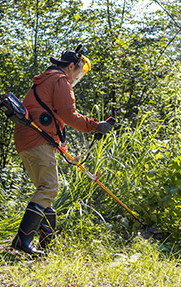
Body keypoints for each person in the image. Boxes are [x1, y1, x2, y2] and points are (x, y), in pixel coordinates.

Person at [11, 45, 113, 255]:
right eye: (78, 71)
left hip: (26, 141)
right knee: (49, 188)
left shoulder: (46, 79)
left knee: (45, 188)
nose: (78, 76)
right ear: (69, 66)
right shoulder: (60, 80)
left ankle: (47, 243)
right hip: (37, 140)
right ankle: (23, 241)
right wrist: (95, 125)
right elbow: (69, 114)